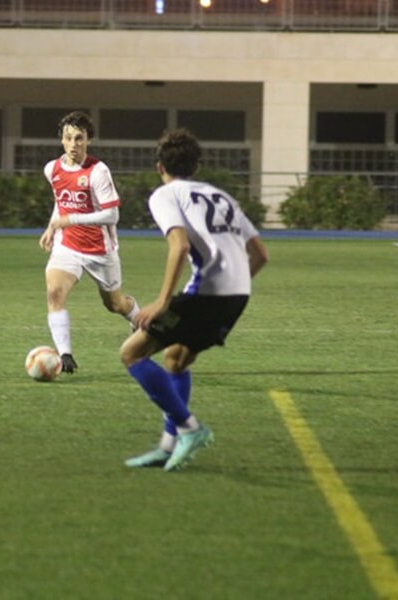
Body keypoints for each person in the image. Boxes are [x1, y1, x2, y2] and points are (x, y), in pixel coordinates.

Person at [120, 128, 268, 471]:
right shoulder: (222, 196)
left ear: (160, 167)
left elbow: (180, 245)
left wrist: (161, 301)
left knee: (131, 353)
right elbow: (261, 254)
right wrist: (234, 285)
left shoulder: (165, 195)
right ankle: (168, 446)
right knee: (176, 358)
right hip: (237, 296)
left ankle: (190, 428)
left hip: (206, 294)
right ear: (197, 167)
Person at [39, 111, 140, 374]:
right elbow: (60, 202)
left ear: (89, 140)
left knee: (115, 305)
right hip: (67, 246)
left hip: (100, 250)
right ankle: (65, 354)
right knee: (54, 293)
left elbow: (112, 214)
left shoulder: (98, 171)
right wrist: (53, 227)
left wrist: (70, 219)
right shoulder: (52, 169)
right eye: (69, 138)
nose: (74, 144)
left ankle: (140, 321)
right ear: (61, 140)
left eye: (79, 138)